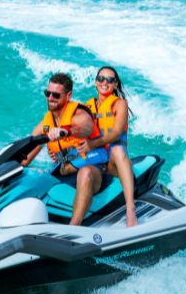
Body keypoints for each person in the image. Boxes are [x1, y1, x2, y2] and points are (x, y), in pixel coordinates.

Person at [20, 73, 110, 226]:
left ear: (68, 96)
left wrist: (66, 131)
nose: (50, 98)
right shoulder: (46, 124)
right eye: (48, 93)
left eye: (56, 95)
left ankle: (74, 228)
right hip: (65, 172)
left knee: (85, 173)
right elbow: (24, 157)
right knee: (32, 178)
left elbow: (86, 127)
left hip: (94, 170)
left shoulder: (78, 113)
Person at [77, 66, 138, 227]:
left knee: (117, 149)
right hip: (97, 166)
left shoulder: (120, 104)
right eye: (101, 79)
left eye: (110, 80)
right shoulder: (87, 107)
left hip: (114, 164)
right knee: (81, 170)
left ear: (116, 84)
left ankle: (130, 209)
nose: (105, 82)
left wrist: (92, 144)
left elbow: (117, 133)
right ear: (96, 83)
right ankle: (74, 226)